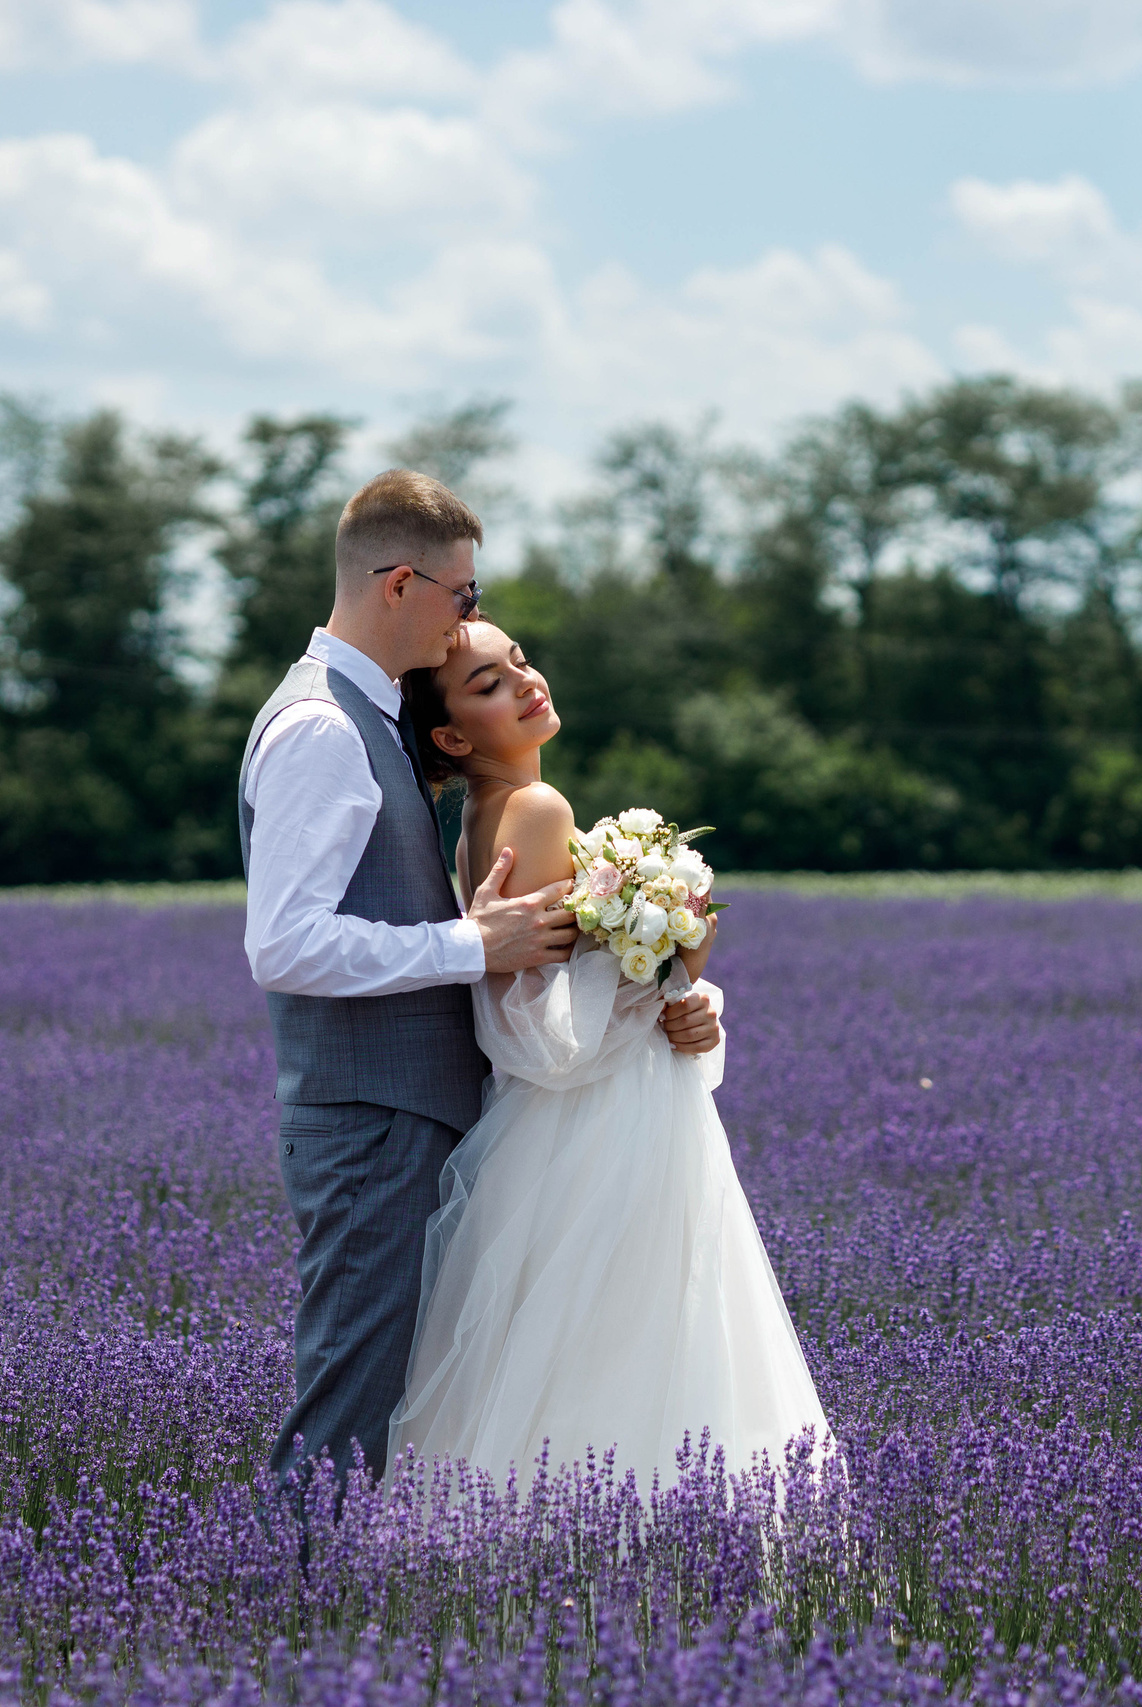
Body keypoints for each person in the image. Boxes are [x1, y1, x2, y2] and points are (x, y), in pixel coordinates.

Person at [238, 468, 720, 1491]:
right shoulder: (324, 727)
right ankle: (281, 1604)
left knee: (400, 1403)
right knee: (352, 1400)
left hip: (411, 1112)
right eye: (464, 595)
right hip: (372, 1117)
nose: (474, 613)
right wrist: (474, 945)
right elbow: (283, 945)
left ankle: (325, 1607)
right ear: (402, 583)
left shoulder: (371, 725)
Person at [381, 617, 829, 1488]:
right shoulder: (537, 810)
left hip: (545, 1135)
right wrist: (675, 957)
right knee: (646, 1341)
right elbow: (544, 1035)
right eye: (488, 684)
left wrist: (669, 975)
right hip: (601, 1128)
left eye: (517, 660)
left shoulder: (478, 818)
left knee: (567, 1355)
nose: (524, 679)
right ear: (450, 735)